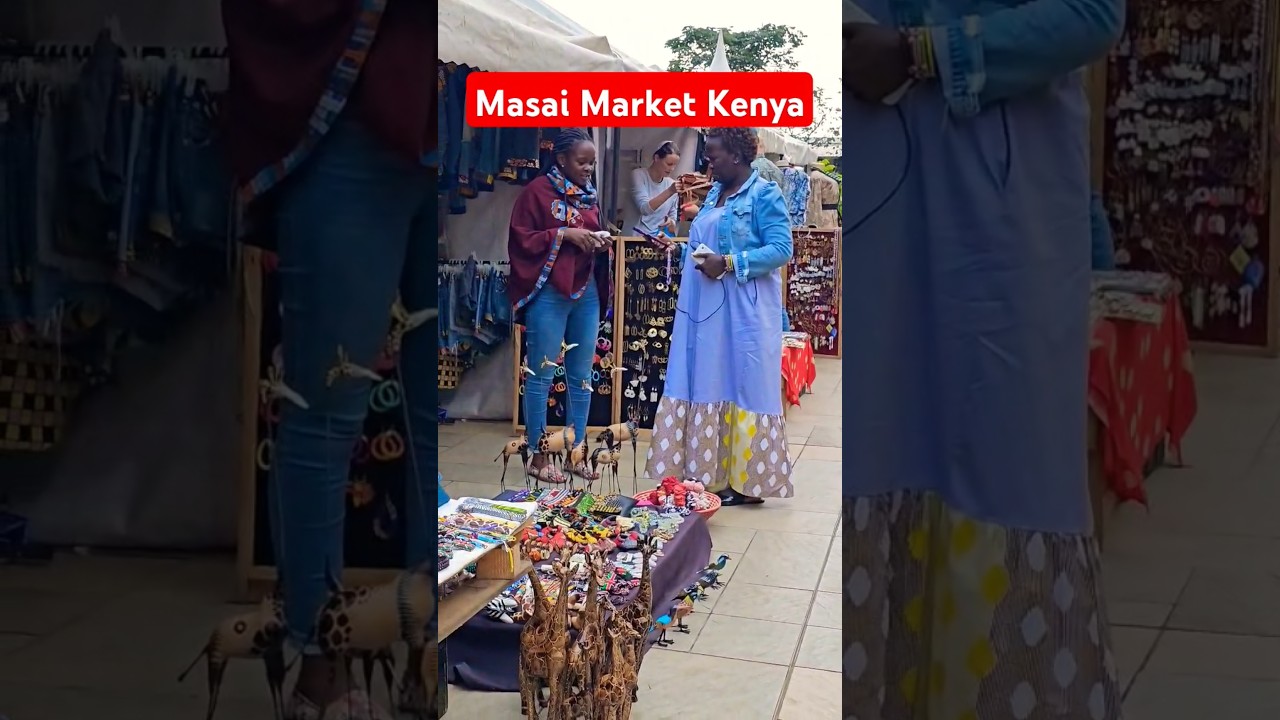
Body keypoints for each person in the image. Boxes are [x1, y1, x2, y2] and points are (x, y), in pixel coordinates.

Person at [842, 0, 1124, 717]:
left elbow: (1092, 13)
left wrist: (925, 54)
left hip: (1003, 213)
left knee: (1000, 458)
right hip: (880, 188)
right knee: (878, 440)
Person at [222, 1, 435, 717]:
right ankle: (321, 657)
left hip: (465, 116)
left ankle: (425, 651)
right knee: (324, 408)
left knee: (427, 409)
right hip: (352, 113)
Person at [645, 127, 795, 506]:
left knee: (743, 384)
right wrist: (680, 250)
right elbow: (707, 245)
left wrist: (728, 263)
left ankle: (747, 484)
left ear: (738, 156)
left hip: (746, 311)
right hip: (708, 310)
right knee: (711, 381)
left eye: (713, 156)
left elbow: (781, 249)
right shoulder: (715, 194)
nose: (708, 163)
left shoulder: (764, 194)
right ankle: (710, 475)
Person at [508, 129, 613, 484]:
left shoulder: (589, 197)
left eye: (592, 163)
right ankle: (538, 457)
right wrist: (563, 234)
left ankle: (576, 452)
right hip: (549, 293)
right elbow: (520, 238)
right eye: (582, 162)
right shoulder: (536, 193)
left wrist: (599, 242)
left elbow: (593, 232)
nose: (588, 169)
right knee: (541, 375)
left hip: (586, 293)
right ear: (562, 159)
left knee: (582, 377)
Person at [629, 140, 683, 237]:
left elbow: (673, 216)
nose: (672, 169)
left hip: (658, 240)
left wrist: (671, 222)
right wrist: (670, 191)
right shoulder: (638, 175)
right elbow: (644, 209)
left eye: (675, 165)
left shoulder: (671, 184)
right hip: (635, 238)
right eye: (669, 164)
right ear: (656, 158)